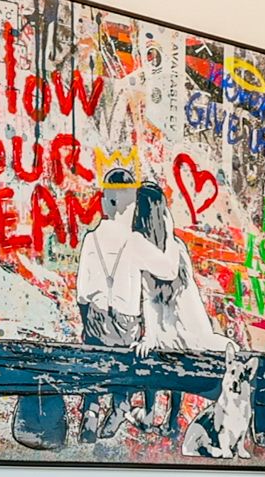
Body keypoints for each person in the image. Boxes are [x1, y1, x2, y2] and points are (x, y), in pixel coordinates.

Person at [72, 178, 224, 437]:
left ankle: (101, 409)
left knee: (134, 343)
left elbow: (143, 299)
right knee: (143, 338)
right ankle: (165, 416)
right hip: (188, 335)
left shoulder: (132, 242)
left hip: (156, 336)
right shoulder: (174, 248)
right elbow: (177, 295)